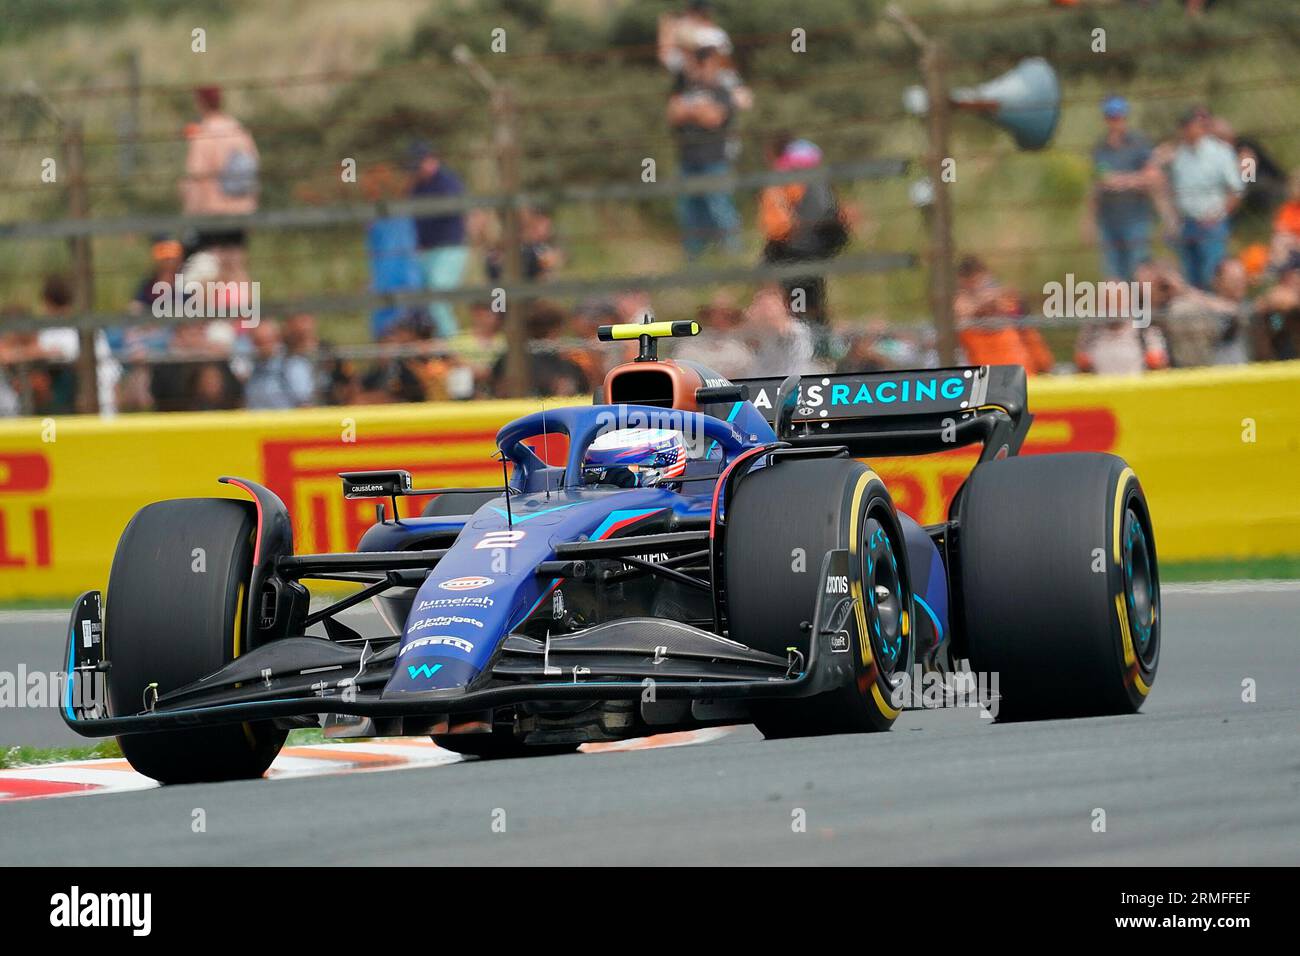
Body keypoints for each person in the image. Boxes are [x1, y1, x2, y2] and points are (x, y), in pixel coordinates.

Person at [759, 136, 850, 334]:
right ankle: (818, 337)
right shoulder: (813, 176)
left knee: (797, 300)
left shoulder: (782, 179)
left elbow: (778, 226)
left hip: (793, 252)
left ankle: (807, 335)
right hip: (815, 250)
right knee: (812, 297)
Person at [178, 86, 259, 294]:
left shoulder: (204, 133)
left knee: (209, 268)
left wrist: (189, 214)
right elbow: (252, 170)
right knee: (237, 265)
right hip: (240, 211)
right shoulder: (238, 130)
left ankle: (215, 318)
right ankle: (244, 316)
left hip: (212, 212)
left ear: (200, 103)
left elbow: (196, 176)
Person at [1157, 106, 1245, 289]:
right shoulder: (1177, 154)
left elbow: (1236, 189)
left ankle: (1216, 314)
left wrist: (1219, 214)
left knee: (1212, 274)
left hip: (1211, 225)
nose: (1188, 130)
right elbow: (1165, 185)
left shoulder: (1220, 152)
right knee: (1190, 275)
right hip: (1186, 224)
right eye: (1185, 126)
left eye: (1192, 126)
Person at [668, 45, 741, 259]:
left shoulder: (723, 92)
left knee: (720, 208)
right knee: (689, 211)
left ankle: (732, 255)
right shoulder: (682, 88)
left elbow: (714, 119)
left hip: (714, 160)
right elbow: (673, 114)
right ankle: (694, 258)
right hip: (687, 161)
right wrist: (698, 110)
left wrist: (689, 110)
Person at [1086, 95, 1157, 281]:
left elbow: (1152, 176)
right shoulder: (1099, 149)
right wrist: (1089, 221)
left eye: (1119, 117)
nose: (1115, 122)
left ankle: (1139, 308)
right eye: (1111, 117)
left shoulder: (1138, 144)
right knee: (1112, 275)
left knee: (1137, 271)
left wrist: (1124, 181)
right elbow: (1095, 185)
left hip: (1135, 219)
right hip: (1108, 221)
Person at [408, 142, 469, 338]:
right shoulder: (417, 188)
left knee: (437, 300)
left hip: (449, 250)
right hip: (426, 251)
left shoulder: (447, 183)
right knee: (423, 304)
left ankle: (451, 345)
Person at [953, 257, 1053, 373]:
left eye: (987, 285)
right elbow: (961, 310)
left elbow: (1044, 362)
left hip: (1025, 377)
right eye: (975, 288)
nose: (987, 293)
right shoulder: (963, 320)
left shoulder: (1010, 310)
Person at [243, 319, 316, 410]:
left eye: (267, 340)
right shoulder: (254, 369)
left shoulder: (294, 366)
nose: (263, 346)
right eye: (258, 341)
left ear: (278, 339)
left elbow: (306, 405)